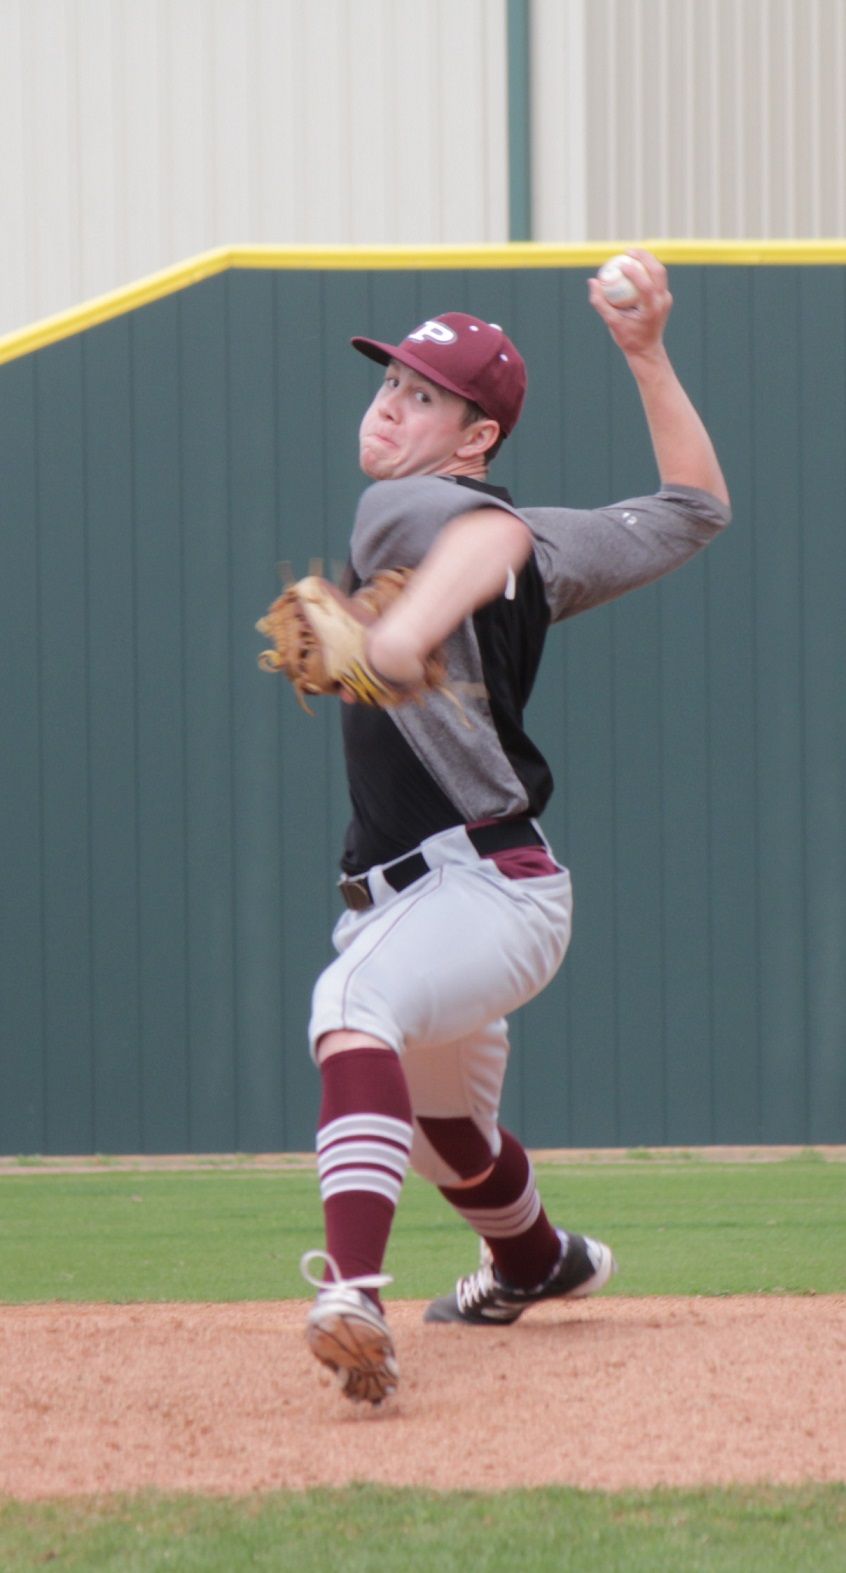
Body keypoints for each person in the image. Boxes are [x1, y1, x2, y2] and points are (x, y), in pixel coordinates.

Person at [297, 250, 731, 1405]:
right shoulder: (523, 527)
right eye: (389, 383)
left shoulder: (416, 507)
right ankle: (536, 1259)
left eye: (424, 397)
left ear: (474, 437)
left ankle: (351, 1295)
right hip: (462, 894)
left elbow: (484, 543)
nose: (390, 406)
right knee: (444, 1135)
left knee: (350, 1008)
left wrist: (400, 636)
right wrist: (646, 357)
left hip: (478, 887)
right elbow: (696, 509)